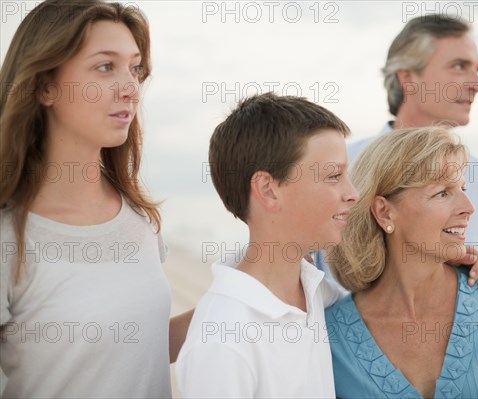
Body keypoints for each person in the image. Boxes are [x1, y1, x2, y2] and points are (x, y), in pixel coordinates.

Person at [0, 0, 191, 396]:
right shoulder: (9, 237)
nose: (130, 88)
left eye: (134, 68)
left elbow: (142, 347)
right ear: (46, 86)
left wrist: (247, 284)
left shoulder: (138, 216)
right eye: (106, 67)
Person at [325, 127, 478, 398]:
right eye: (442, 193)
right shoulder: (329, 333)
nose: (469, 207)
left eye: (462, 188)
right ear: (384, 212)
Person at [175, 93, 357, 398]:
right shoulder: (223, 343)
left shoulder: (314, 288)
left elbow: (381, 307)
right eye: (334, 175)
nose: (352, 193)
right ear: (268, 190)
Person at [346, 14, 478, 264]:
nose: (477, 85)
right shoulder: (340, 168)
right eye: (459, 66)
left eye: (477, 69)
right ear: (408, 78)